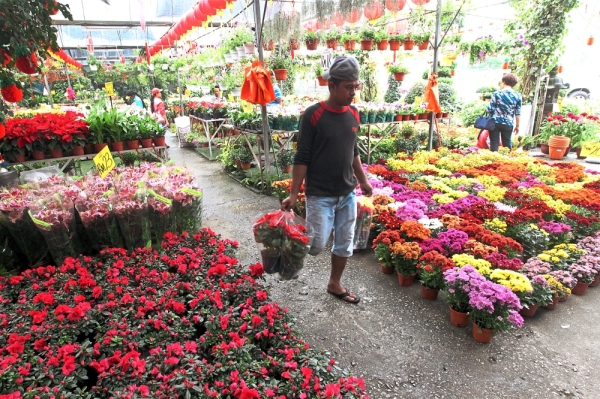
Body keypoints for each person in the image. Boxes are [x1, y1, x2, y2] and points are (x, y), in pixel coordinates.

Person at [280, 56, 373, 305]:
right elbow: (303, 157)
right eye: (348, 87)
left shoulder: (354, 113)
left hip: (347, 192)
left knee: (345, 242)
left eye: (356, 86)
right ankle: (285, 247)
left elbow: (353, 151)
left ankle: (334, 283)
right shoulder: (313, 114)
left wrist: (362, 181)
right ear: (332, 85)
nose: (353, 92)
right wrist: (293, 193)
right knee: (317, 244)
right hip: (320, 194)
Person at [486, 73, 522, 151]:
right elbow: (518, 113)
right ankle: (507, 160)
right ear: (514, 84)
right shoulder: (518, 96)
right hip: (508, 123)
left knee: (494, 142)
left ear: (504, 82)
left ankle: (493, 160)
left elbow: (489, 109)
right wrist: (517, 126)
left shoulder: (497, 94)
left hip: (494, 122)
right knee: (507, 143)